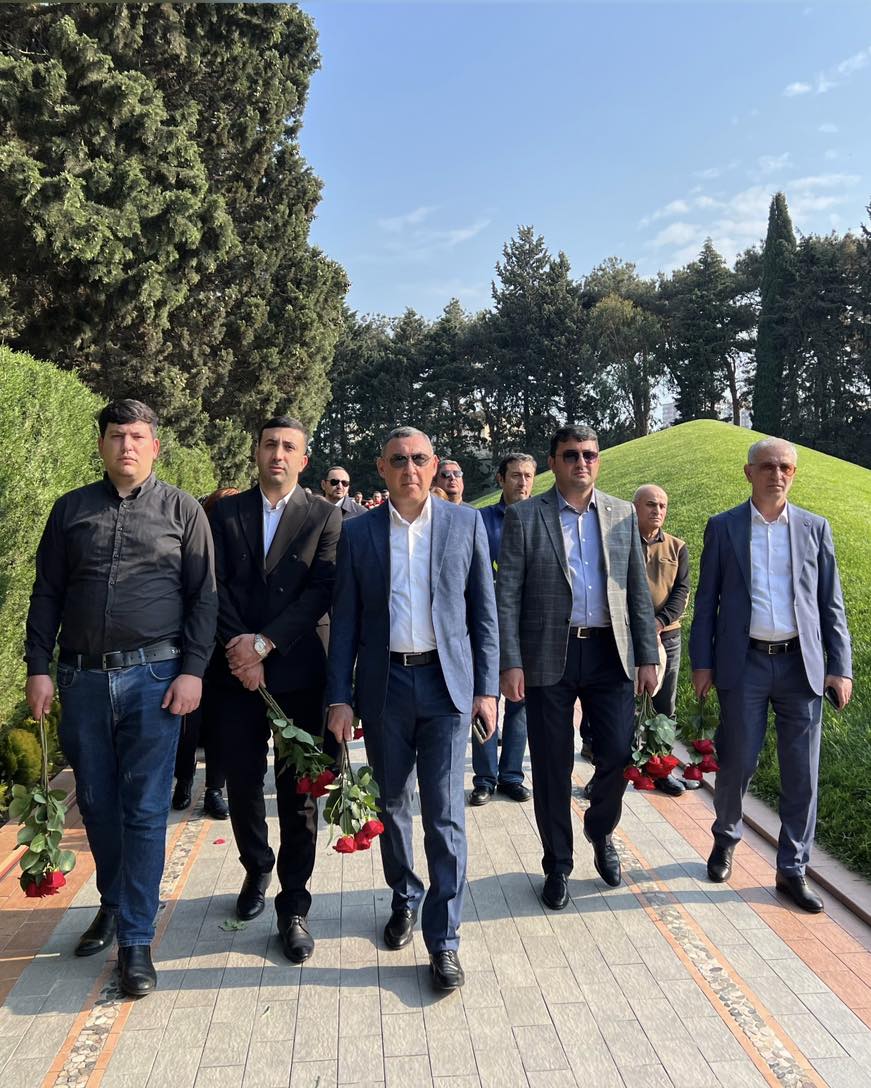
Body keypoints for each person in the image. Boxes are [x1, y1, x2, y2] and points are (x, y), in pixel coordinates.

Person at [24, 399, 217, 997]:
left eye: (137, 436)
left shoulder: (183, 511)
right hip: (81, 681)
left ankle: (136, 941)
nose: (126, 446)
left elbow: (203, 598)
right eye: (115, 436)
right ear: (101, 444)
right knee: (97, 805)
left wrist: (193, 671)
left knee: (146, 810)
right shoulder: (71, 510)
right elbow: (47, 593)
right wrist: (37, 668)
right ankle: (113, 901)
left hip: (154, 681)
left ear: (155, 446)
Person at [326, 426, 498, 992]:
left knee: (445, 815)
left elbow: (484, 613)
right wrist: (339, 697)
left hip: (446, 687)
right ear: (382, 467)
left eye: (420, 459)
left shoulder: (465, 524)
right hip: (386, 686)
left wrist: (486, 690)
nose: (410, 469)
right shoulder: (359, 533)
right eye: (398, 460)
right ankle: (405, 896)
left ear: (434, 464)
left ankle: (444, 940)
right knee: (393, 802)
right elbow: (345, 621)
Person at [497, 425, 659, 907]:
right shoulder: (526, 516)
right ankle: (557, 864)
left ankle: (600, 829)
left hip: (610, 654)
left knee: (618, 754)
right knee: (552, 765)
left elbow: (636, 592)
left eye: (589, 454)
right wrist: (510, 662)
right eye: (571, 455)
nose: (581, 463)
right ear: (553, 463)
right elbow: (508, 596)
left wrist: (647, 655)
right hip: (549, 655)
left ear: (598, 460)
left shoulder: (621, 513)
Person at [690, 438, 852, 912]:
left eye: (785, 467)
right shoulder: (723, 527)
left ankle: (792, 868)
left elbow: (831, 604)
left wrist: (840, 666)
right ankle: (725, 838)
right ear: (749, 472)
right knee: (738, 760)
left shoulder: (814, 528)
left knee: (802, 772)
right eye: (767, 466)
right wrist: (702, 663)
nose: (776, 475)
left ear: (793, 474)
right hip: (746, 664)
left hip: (802, 666)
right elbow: (706, 601)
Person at [208, 416, 341, 962]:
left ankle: (294, 903)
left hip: (296, 669)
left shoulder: (324, 515)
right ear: (257, 451)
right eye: (269, 445)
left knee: (298, 795)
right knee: (242, 783)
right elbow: (212, 584)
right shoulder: (224, 514)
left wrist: (265, 645)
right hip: (233, 671)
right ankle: (256, 866)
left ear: (304, 459)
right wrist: (241, 650)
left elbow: (320, 590)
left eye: (289, 447)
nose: (278, 454)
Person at [470, 453, 537, 806]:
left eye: (528, 476)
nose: (522, 482)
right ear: (501, 479)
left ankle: (512, 774)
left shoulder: (541, 517)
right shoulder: (481, 521)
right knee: (483, 698)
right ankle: (484, 777)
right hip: (486, 625)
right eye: (515, 475)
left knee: (519, 702)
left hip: (527, 627)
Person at [172, 487, 240, 820]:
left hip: (228, 648)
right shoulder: (193, 546)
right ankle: (183, 781)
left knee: (220, 726)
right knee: (188, 723)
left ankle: (214, 789)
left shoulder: (240, 548)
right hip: (193, 648)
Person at [634, 484, 691, 794]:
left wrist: (659, 622)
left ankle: (659, 769)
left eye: (662, 505)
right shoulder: (621, 541)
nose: (657, 510)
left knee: (664, 705)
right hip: (627, 636)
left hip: (666, 636)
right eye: (650, 504)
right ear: (635, 507)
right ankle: (611, 771)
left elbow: (682, 591)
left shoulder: (677, 547)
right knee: (620, 705)